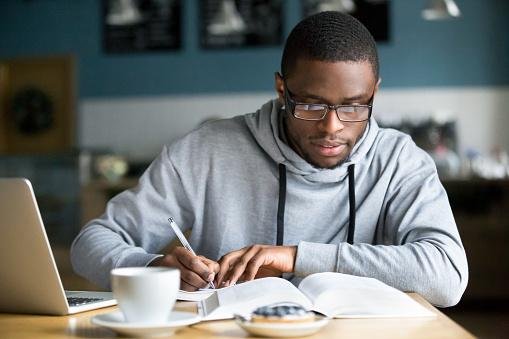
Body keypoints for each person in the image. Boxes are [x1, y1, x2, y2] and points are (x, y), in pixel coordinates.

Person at [71, 11, 468, 307]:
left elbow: (447, 277)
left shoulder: (400, 161)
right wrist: (153, 265)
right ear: (282, 88)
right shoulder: (206, 150)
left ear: (374, 93)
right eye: (311, 105)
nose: (332, 127)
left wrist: (295, 257)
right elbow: (90, 243)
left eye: (353, 107)